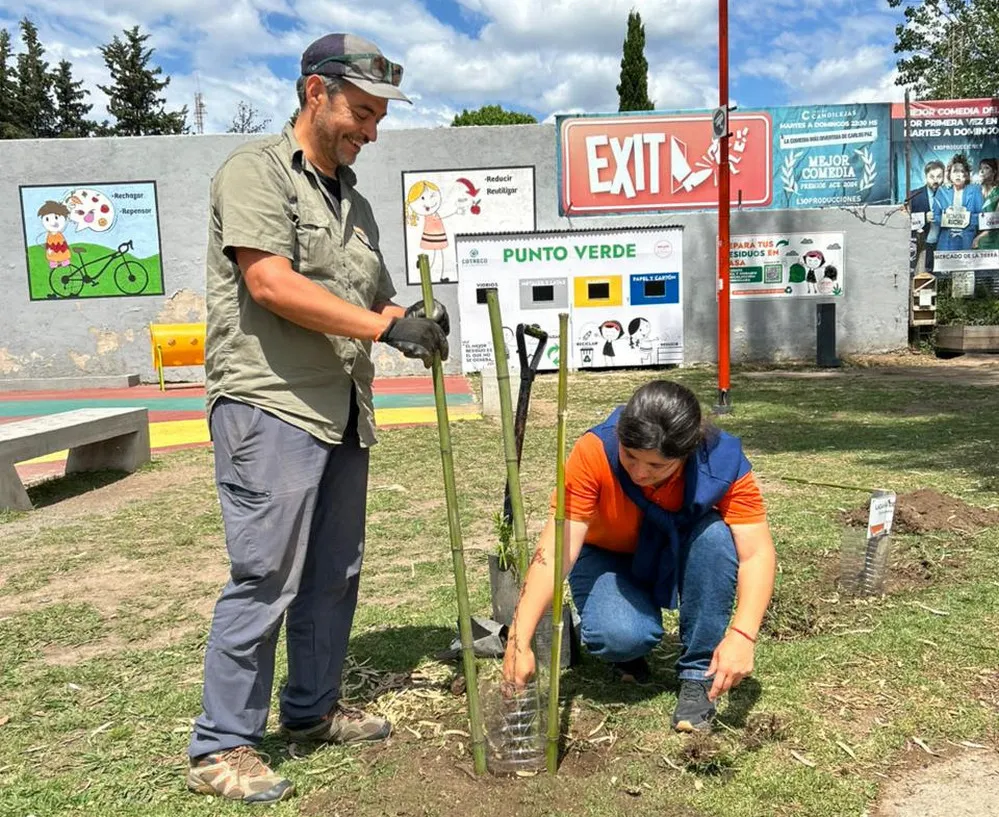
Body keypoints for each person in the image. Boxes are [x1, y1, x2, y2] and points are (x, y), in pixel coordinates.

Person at [185, 33, 450, 804]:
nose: (370, 130)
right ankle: (220, 745)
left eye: (377, 119)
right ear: (314, 93)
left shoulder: (355, 202)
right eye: (361, 113)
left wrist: (412, 318)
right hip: (269, 402)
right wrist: (381, 328)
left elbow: (373, 300)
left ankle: (312, 708)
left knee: (335, 575)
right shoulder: (253, 174)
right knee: (266, 574)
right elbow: (269, 283)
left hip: (340, 410)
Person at [502, 380, 777, 733]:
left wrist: (742, 634)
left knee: (715, 537)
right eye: (630, 456)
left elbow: (756, 553)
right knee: (619, 635)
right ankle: (629, 648)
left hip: (680, 551)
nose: (640, 472)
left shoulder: (721, 461)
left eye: (657, 465)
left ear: (687, 452)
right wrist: (518, 640)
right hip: (606, 554)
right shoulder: (595, 451)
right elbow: (557, 547)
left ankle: (698, 675)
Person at [908, 160, 945, 273]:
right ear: (925, 177)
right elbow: (905, 222)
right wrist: (923, 218)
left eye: (939, 176)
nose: (935, 180)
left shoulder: (949, 195)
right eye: (932, 177)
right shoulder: (913, 196)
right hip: (922, 245)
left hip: (943, 244)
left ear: (944, 177)